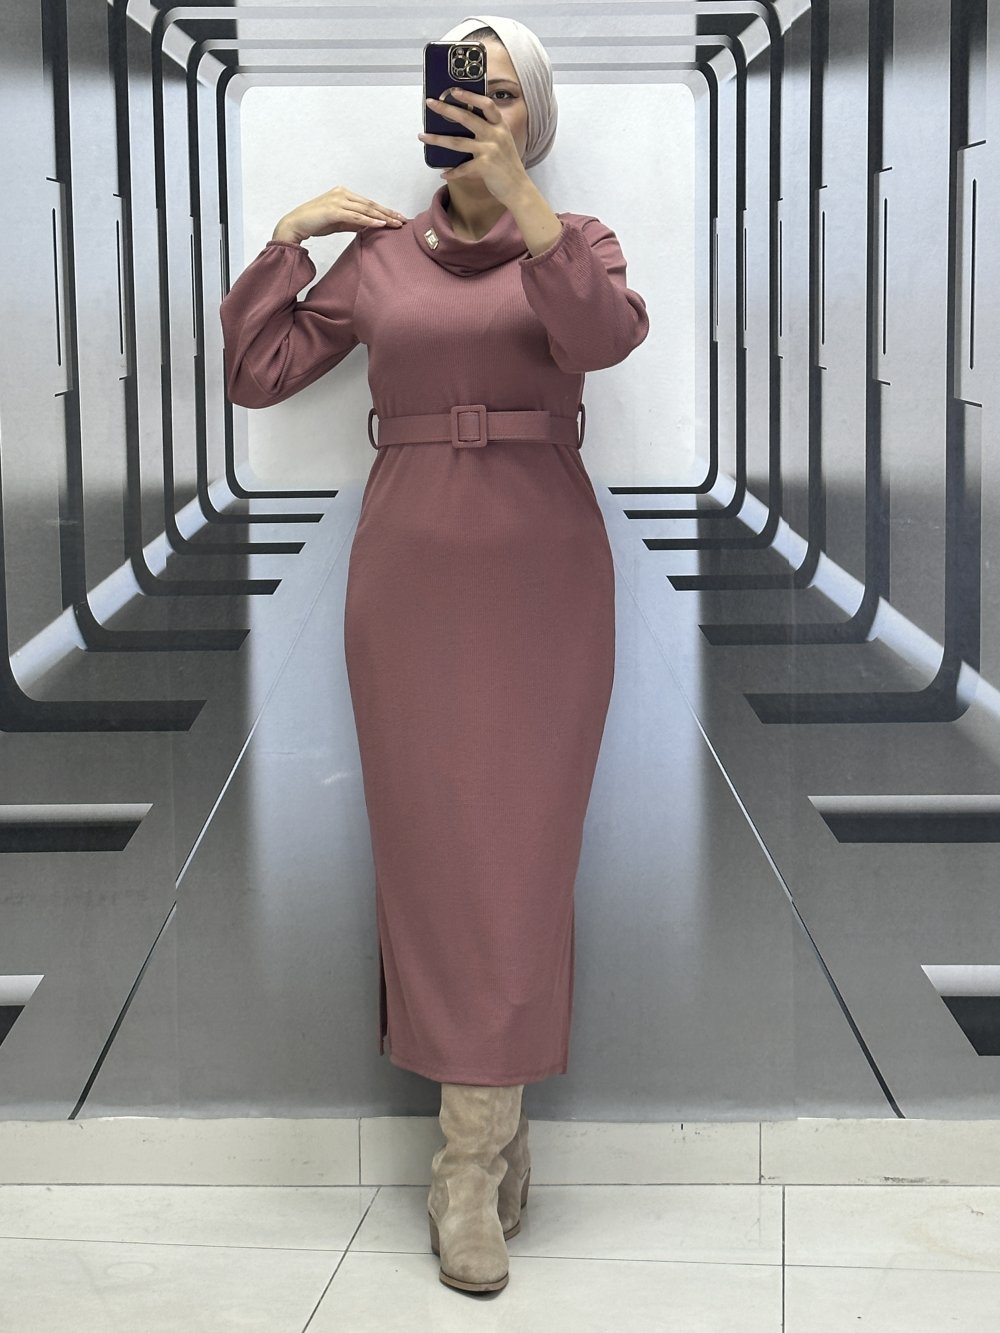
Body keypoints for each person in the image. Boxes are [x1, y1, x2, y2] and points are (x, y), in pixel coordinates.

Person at [219, 14, 650, 1298]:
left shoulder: (579, 244)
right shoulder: (377, 259)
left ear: (538, 120)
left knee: (520, 854)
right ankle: (481, 1148)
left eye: (507, 96)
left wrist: (527, 210)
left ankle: (470, 1158)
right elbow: (258, 371)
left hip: (543, 581)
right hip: (407, 586)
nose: (485, 112)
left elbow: (602, 339)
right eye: (470, 91)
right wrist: (287, 240)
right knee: (434, 854)